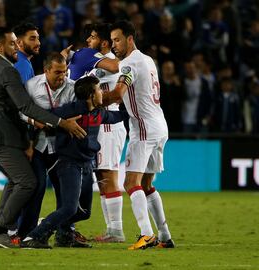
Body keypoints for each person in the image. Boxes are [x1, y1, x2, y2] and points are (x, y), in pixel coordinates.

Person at [0, 27, 86, 249]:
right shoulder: (8, 70)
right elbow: (24, 106)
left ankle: (1, 228)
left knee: (16, 180)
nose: (17, 47)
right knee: (27, 182)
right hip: (1, 134)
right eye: (12, 43)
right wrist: (61, 122)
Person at [20, 76, 128, 249]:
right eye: (100, 89)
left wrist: (140, 108)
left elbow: (118, 116)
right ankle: (34, 236)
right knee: (69, 208)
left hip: (87, 165)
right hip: (69, 164)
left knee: (84, 212)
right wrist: (61, 124)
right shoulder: (69, 110)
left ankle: (62, 234)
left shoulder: (98, 113)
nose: (103, 92)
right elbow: (47, 117)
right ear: (90, 95)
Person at [103, 20, 175, 250]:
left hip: (143, 128)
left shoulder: (130, 63)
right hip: (159, 125)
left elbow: (116, 94)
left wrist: (92, 101)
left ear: (130, 39)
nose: (114, 45)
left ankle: (146, 235)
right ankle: (164, 236)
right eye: (112, 40)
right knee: (146, 184)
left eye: (117, 40)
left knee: (130, 182)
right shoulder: (148, 59)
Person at [17, 52, 76, 239]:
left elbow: (79, 112)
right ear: (46, 70)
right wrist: (36, 122)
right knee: (38, 187)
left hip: (63, 146)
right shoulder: (32, 85)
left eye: (65, 71)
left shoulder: (72, 87)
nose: (62, 76)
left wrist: (63, 122)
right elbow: (21, 112)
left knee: (64, 192)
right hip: (39, 145)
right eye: (57, 72)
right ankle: (26, 233)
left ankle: (64, 234)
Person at [86, 23, 127, 243]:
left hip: (109, 125)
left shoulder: (112, 65)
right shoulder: (97, 64)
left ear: (103, 42)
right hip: (100, 124)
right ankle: (111, 230)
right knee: (101, 177)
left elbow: (116, 96)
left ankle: (117, 230)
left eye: (92, 38)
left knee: (108, 175)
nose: (88, 41)